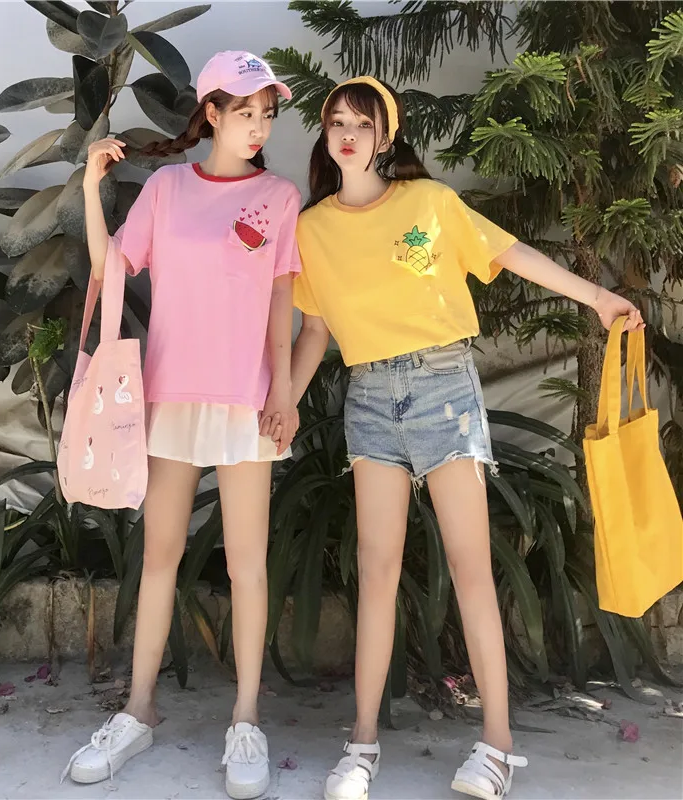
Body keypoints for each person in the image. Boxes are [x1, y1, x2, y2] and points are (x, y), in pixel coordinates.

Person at [271, 75, 643, 800]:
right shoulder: (312, 229)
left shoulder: (430, 204)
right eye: (336, 122)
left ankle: (496, 746)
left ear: (386, 136)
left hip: (444, 389)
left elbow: (511, 254)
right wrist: (283, 396)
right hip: (369, 395)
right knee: (377, 571)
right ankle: (362, 744)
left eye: (363, 123)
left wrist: (597, 298)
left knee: (471, 569)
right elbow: (313, 330)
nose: (347, 134)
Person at [62, 52, 301, 799]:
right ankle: (138, 709)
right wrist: (91, 190)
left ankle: (247, 719)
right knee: (160, 555)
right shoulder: (167, 189)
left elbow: (281, 306)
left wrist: (284, 392)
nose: (258, 127)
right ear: (212, 114)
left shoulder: (281, 197)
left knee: (248, 564)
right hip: (168, 398)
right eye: (245, 112)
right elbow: (110, 266)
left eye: (267, 114)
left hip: (245, 402)